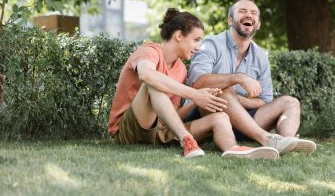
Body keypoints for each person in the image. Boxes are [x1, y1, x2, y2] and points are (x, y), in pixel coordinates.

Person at [108, 8, 280, 159]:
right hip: (128, 131)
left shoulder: (181, 68)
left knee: (220, 117)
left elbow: (174, 115)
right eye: (196, 40)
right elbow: (147, 75)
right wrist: (194, 94)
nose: (199, 47)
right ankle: (187, 140)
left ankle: (234, 149)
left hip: (161, 131)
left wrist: (198, 100)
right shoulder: (148, 51)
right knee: (154, 84)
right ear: (179, 36)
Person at [186, 0, 316, 155]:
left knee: (291, 102)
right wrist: (237, 78)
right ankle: (266, 138)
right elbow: (197, 83)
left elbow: (265, 101)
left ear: (258, 25)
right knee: (223, 90)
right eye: (242, 11)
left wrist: (239, 100)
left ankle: (287, 142)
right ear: (230, 20)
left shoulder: (261, 56)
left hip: (245, 123)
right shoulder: (210, 44)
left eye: (254, 13)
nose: (249, 15)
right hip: (208, 115)